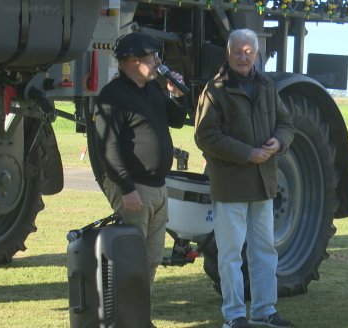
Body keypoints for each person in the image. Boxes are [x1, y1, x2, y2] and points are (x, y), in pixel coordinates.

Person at [194, 29, 295, 328]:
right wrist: (247, 153)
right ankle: (235, 315)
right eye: (237, 51)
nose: (243, 56)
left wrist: (279, 142)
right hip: (230, 187)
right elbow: (205, 136)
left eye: (248, 50)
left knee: (265, 251)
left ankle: (264, 310)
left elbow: (286, 123)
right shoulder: (215, 90)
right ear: (228, 53)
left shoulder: (266, 86)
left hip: (264, 185)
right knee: (230, 255)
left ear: (256, 53)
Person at [94, 32, 187, 325]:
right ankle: (124, 319)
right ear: (133, 61)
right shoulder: (112, 96)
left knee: (150, 259)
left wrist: (175, 92)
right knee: (130, 261)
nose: (159, 62)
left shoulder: (152, 90)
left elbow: (176, 119)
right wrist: (126, 189)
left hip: (158, 188)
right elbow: (108, 149)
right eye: (153, 57)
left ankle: (139, 318)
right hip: (135, 189)